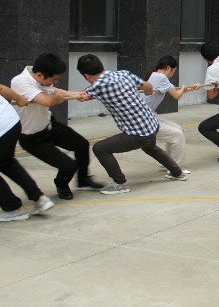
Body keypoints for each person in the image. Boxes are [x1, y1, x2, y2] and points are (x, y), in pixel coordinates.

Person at [77, 54, 188, 195]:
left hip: (138, 133)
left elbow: (82, 96)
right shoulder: (124, 74)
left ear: (87, 76)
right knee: (151, 148)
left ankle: (120, 183)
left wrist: (79, 96)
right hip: (152, 124)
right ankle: (177, 173)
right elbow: (148, 87)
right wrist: (148, 92)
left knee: (99, 148)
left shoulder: (97, 86)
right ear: (102, 66)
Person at [11, 53, 103, 200]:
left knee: (82, 145)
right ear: (40, 75)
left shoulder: (41, 75)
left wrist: (77, 94)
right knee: (69, 166)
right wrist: (60, 98)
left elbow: (54, 91)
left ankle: (83, 178)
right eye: (54, 79)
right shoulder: (21, 82)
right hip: (33, 139)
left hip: (50, 127)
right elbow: (47, 100)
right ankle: (61, 185)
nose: (55, 82)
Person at [0, 84, 54, 221]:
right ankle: (39, 198)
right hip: (11, 122)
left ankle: (13, 208)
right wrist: (19, 99)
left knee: (6, 162)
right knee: (6, 162)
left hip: (1, 128)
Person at [143, 56, 197, 173]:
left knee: (177, 128)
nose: (172, 75)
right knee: (177, 135)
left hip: (149, 114)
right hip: (144, 118)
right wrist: (183, 88)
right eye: (173, 71)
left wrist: (192, 88)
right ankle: (176, 169)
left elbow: (176, 90)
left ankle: (168, 162)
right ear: (168, 68)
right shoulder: (161, 77)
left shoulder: (156, 76)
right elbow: (177, 96)